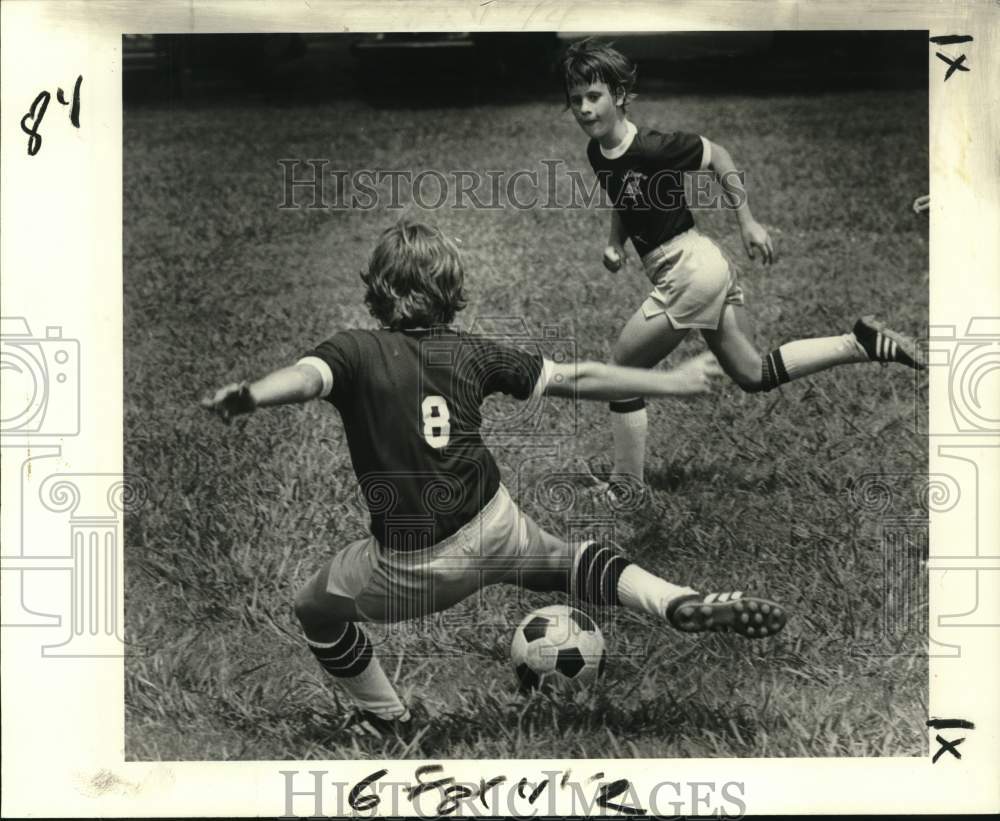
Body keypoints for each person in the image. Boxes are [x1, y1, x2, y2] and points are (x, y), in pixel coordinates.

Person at [201, 219, 788, 738]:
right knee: (570, 560)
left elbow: (304, 380)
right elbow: (575, 377)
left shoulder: (353, 351)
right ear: (452, 295)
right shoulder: (472, 353)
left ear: (377, 292)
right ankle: (676, 601)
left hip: (414, 566)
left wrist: (251, 395)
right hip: (493, 523)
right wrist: (672, 381)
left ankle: (386, 718)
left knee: (314, 608)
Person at [560, 39, 925, 496]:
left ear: (618, 95)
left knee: (619, 372)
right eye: (575, 100)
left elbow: (718, 156)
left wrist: (748, 223)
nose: (584, 109)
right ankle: (862, 342)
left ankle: (625, 488)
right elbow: (624, 199)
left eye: (593, 97)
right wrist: (615, 243)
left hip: (690, 271)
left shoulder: (655, 147)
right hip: (701, 266)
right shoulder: (598, 154)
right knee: (754, 374)